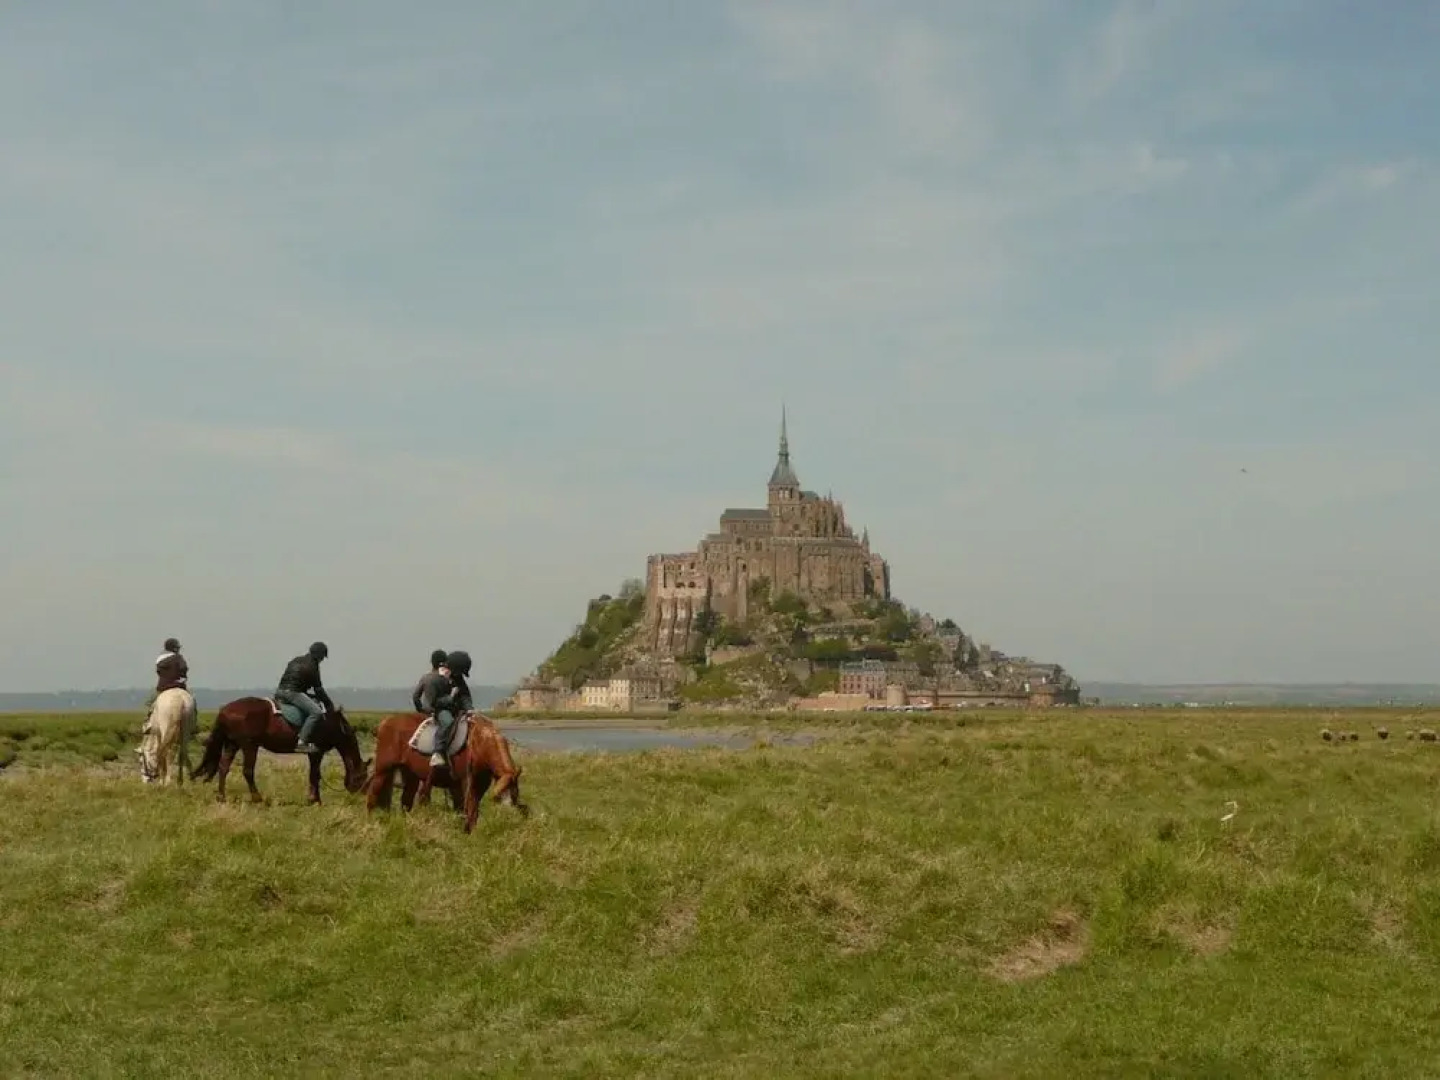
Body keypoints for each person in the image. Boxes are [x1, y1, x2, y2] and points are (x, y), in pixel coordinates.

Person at [138, 638, 188, 778]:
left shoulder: (160, 658)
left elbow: (159, 671)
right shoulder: (179, 658)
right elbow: (184, 670)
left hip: (163, 687)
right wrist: (181, 678)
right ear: (176, 648)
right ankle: (192, 723)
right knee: (191, 702)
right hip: (178, 686)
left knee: (152, 704)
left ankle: (148, 722)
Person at [276, 642, 335, 754]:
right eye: (322, 657)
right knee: (316, 712)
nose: (322, 660)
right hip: (293, 693)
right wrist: (329, 704)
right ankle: (302, 742)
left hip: (280, 691)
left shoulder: (296, 660)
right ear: (319, 655)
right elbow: (318, 690)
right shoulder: (313, 666)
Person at [416, 657, 461, 769]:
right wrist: (452, 695)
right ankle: (437, 752)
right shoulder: (441, 679)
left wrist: (420, 709)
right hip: (438, 710)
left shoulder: (425, 677)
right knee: (448, 722)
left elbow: (415, 696)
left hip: (431, 708)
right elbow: (438, 701)